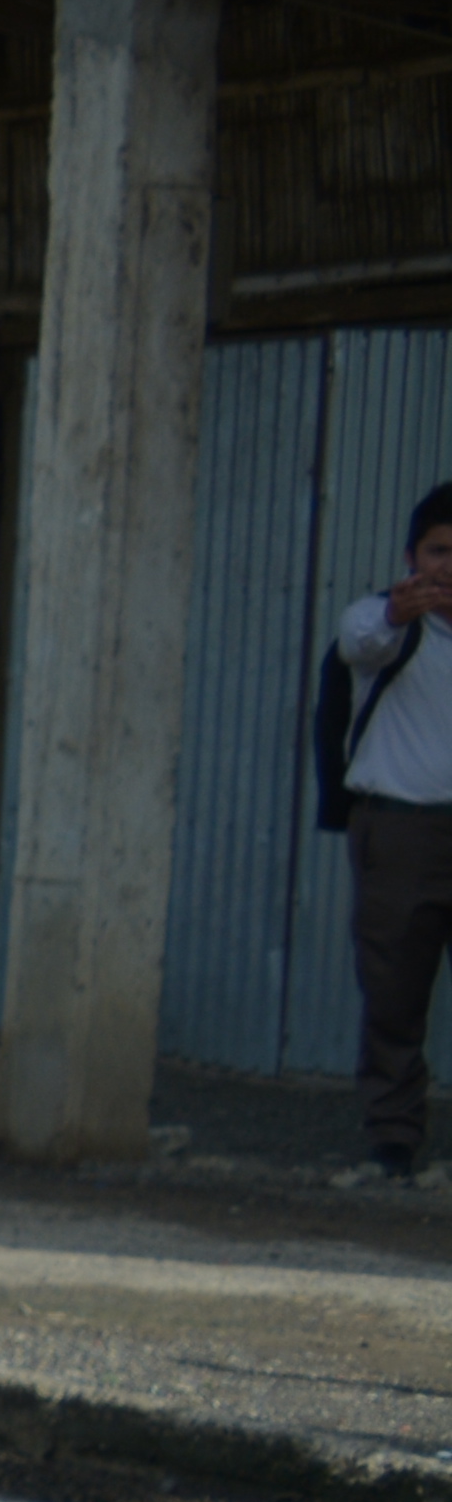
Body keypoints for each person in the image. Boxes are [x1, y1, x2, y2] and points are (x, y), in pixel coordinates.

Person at [325, 480, 452, 1182]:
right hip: (399, 834)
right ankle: (393, 1143)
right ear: (411, 557)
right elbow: (357, 638)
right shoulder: (385, 626)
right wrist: (397, 612)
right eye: (438, 551)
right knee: (394, 992)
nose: (449, 567)